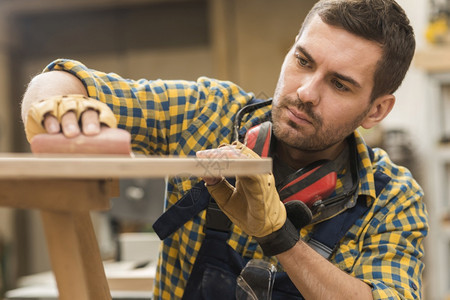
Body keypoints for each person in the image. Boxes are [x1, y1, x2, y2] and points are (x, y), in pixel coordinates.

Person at [21, 0, 428, 299]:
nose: (306, 92)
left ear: (376, 109)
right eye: (303, 61)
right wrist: (61, 109)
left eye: (339, 84)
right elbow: (61, 78)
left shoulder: (391, 196)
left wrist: (279, 237)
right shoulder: (205, 113)